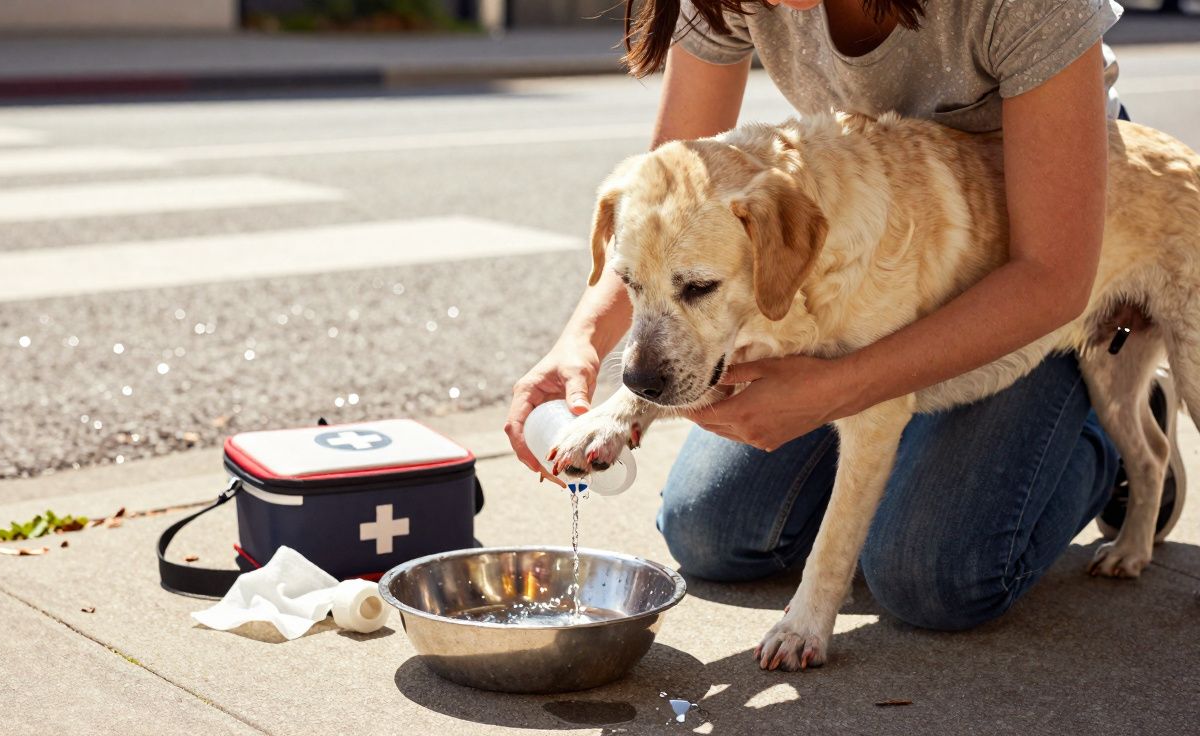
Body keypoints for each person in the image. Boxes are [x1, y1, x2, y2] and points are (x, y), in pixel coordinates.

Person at [506, 0, 1187, 632]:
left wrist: (834, 391)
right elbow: (671, 198)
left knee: (934, 574)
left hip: (1059, 234)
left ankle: (1087, 429)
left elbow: (1052, 276)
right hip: (875, 217)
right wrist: (581, 344)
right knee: (712, 532)